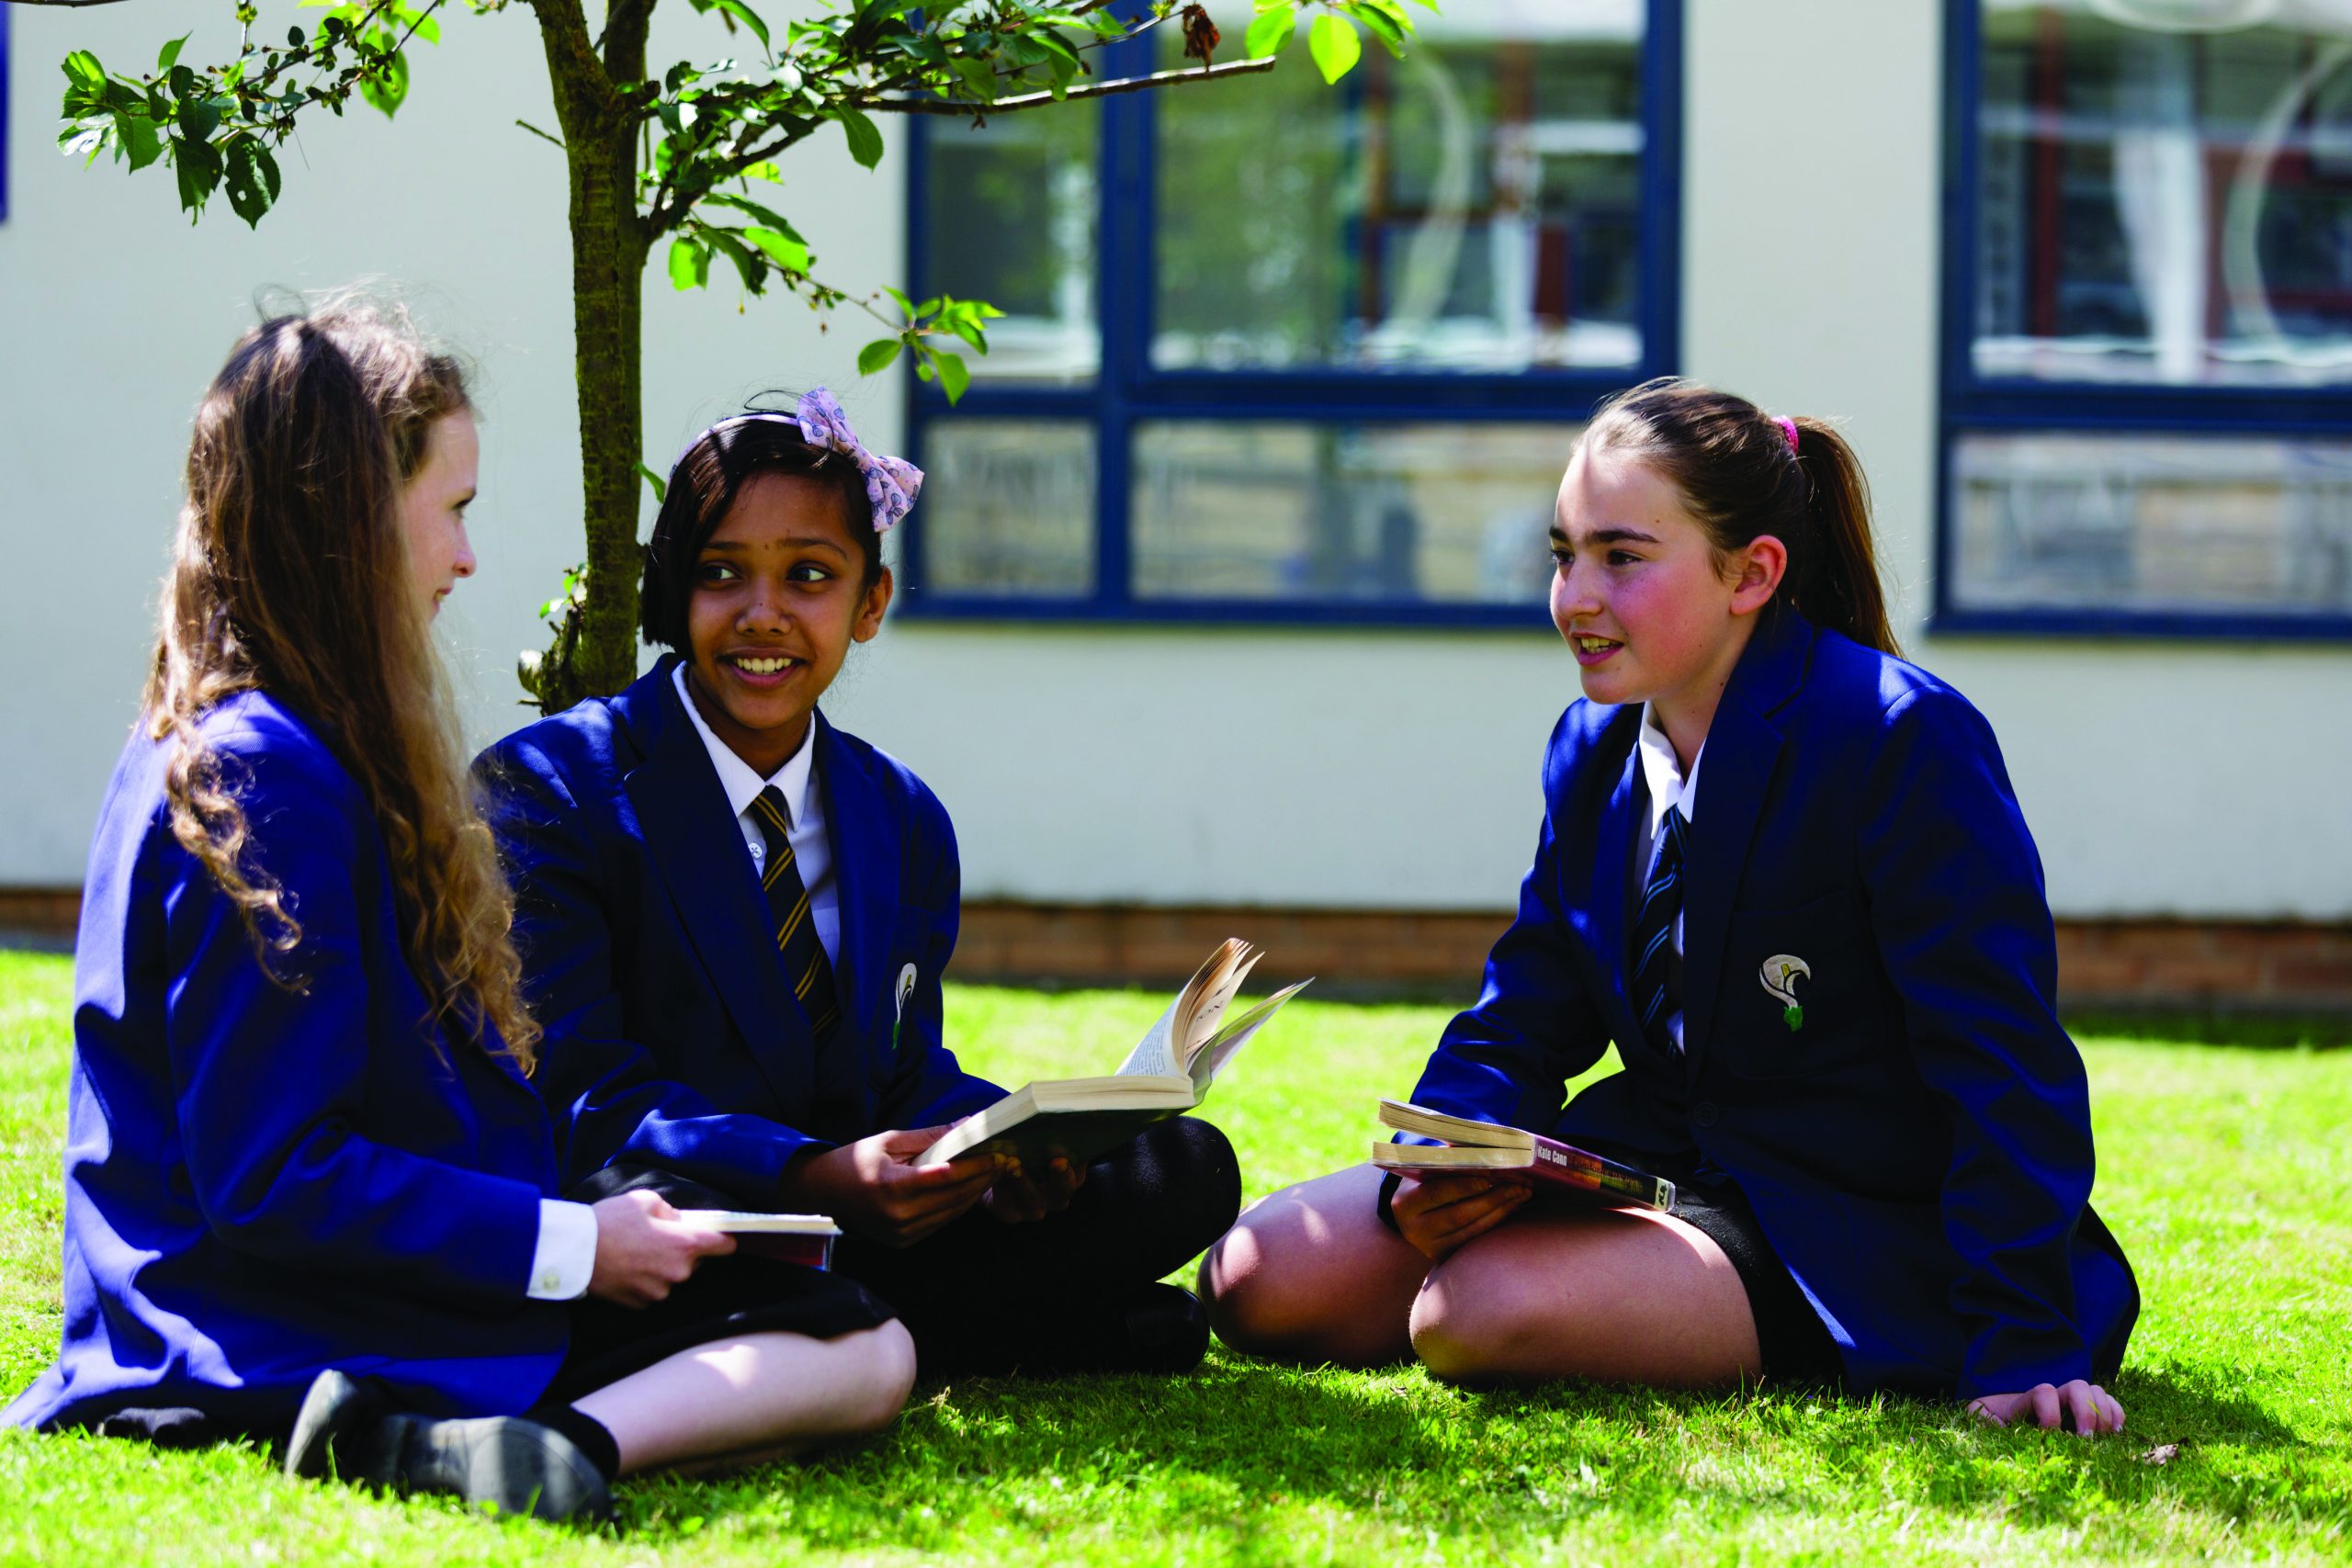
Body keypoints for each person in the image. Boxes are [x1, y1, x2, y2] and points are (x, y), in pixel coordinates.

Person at [2, 307, 916, 1523]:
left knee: (853, 1334)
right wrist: (574, 1247)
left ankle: (507, 1428)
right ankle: (524, 1445)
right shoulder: (265, 771)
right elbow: (274, 1173)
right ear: (352, 520)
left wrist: (586, 1224)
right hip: (247, 1327)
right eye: (457, 508)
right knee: (860, 1350)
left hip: (315, 1289)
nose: (468, 558)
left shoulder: (245, 739)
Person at [1200, 378, 2139, 1436]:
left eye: (1621, 557)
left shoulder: (1898, 739)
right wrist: (1451, 1146)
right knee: (1257, 1277)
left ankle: (1816, 1323)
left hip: (1854, 1213)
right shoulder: (1590, 747)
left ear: (1752, 574)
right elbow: (1528, 1003)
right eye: (1562, 555)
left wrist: (2024, 1340)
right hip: (1655, 1163)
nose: (1575, 598)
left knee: (1472, 1315)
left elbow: (2003, 1063)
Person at [476, 391, 1239, 1379]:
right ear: (672, 593)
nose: (763, 615)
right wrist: (810, 1175)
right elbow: (575, 1095)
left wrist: (1006, 1145)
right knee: (683, 1247)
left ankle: (917, 1317)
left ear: (869, 604)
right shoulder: (547, 789)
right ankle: (1021, 1328)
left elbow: (898, 1068)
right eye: (720, 575)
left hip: (866, 1217)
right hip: (673, 1212)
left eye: (809, 576)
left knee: (1181, 1171)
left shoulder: (901, 816)